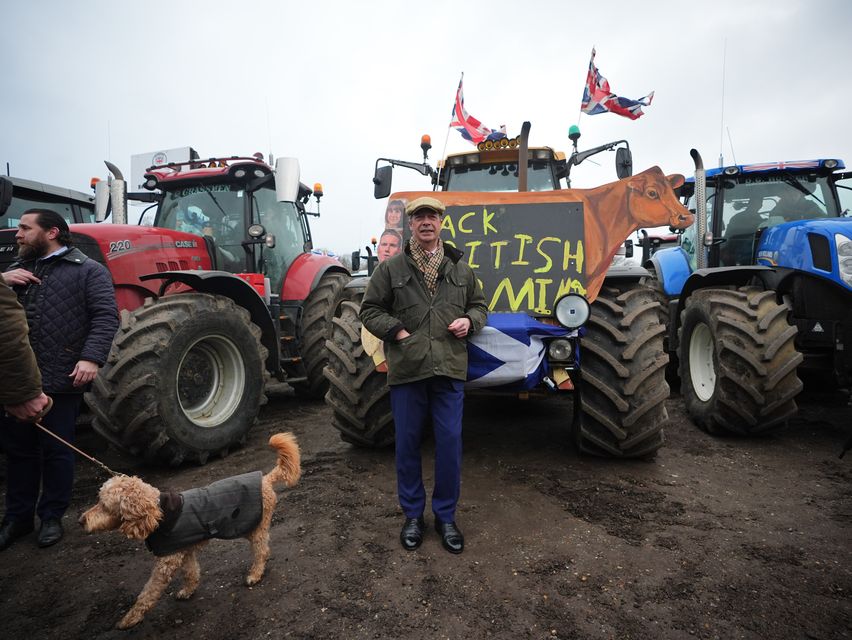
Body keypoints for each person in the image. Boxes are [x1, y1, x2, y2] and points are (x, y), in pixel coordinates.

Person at [360, 196, 487, 554]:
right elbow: (370, 309)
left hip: (448, 369)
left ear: (442, 223)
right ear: (411, 225)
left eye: (432, 216)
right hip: (408, 370)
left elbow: (480, 305)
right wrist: (397, 331)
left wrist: (470, 320)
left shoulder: (460, 269)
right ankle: (413, 516)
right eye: (419, 217)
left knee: (449, 444)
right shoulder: (391, 270)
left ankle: (445, 517)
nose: (426, 222)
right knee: (407, 446)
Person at [0, 209, 118, 551]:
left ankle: (51, 516)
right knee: (18, 452)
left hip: (61, 375)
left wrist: (90, 357)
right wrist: (4, 281)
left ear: (51, 232)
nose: (17, 234)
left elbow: (105, 317)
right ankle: (17, 519)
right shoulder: (14, 272)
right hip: (17, 380)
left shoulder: (88, 272)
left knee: (57, 451)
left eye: (25, 228)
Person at [0, 276, 51, 421]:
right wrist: (22, 393)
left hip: (54, 383)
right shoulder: (15, 268)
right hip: (22, 386)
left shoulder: (89, 269)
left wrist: (91, 357)